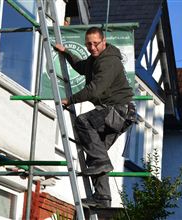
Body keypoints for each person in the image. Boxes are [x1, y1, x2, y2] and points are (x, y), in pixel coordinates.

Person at [54, 27, 135, 208]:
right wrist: (66, 52)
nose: (92, 47)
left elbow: (95, 90)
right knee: (95, 151)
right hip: (114, 114)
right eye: (88, 44)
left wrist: (71, 100)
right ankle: (102, 198)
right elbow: (80, 67)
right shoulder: (93, 61)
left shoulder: (109, 62)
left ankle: (102, 173)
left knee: (83, 122)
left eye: (95, 44)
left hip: (118, 111)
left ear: (103, 41)